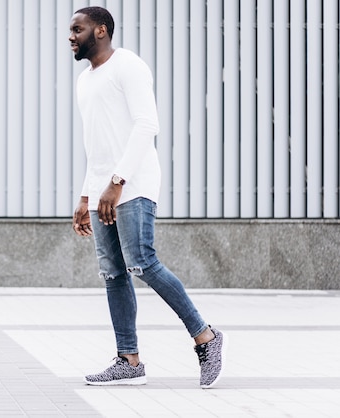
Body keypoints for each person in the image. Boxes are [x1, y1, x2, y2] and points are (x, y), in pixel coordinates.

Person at [69, 6, 226, 389]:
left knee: (141, 262)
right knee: (112, 273)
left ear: (101, 30)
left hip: (133, 183)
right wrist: (86, 197)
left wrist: (118, 181)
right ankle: (129, 360)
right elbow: (97, 146)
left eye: (78, 28)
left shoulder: (129, 66)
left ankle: (205, 336)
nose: (71, 36)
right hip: (104, 188)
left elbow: (146, 124)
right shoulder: (84, 81)